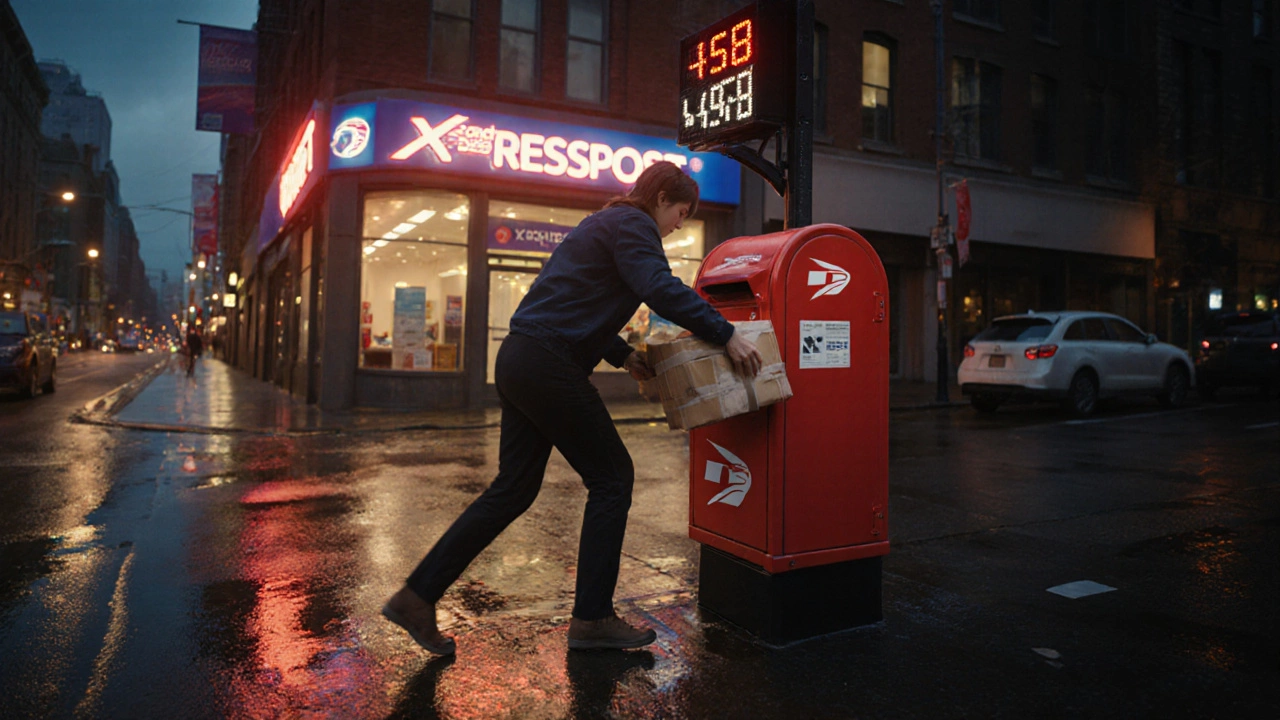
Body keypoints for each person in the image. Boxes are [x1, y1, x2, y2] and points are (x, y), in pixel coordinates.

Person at [382, 161, 762, 655]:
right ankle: (593, 618)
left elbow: (579, 303)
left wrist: (625, 357)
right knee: (612, 478)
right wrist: (726, 333)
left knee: (513, 489)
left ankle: (416, 597)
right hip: (548, 362)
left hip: (521, 358)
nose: (679, 225)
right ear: (664, 197)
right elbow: (658, 288)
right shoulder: (635, 225)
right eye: (682, 213)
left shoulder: (603, 223)